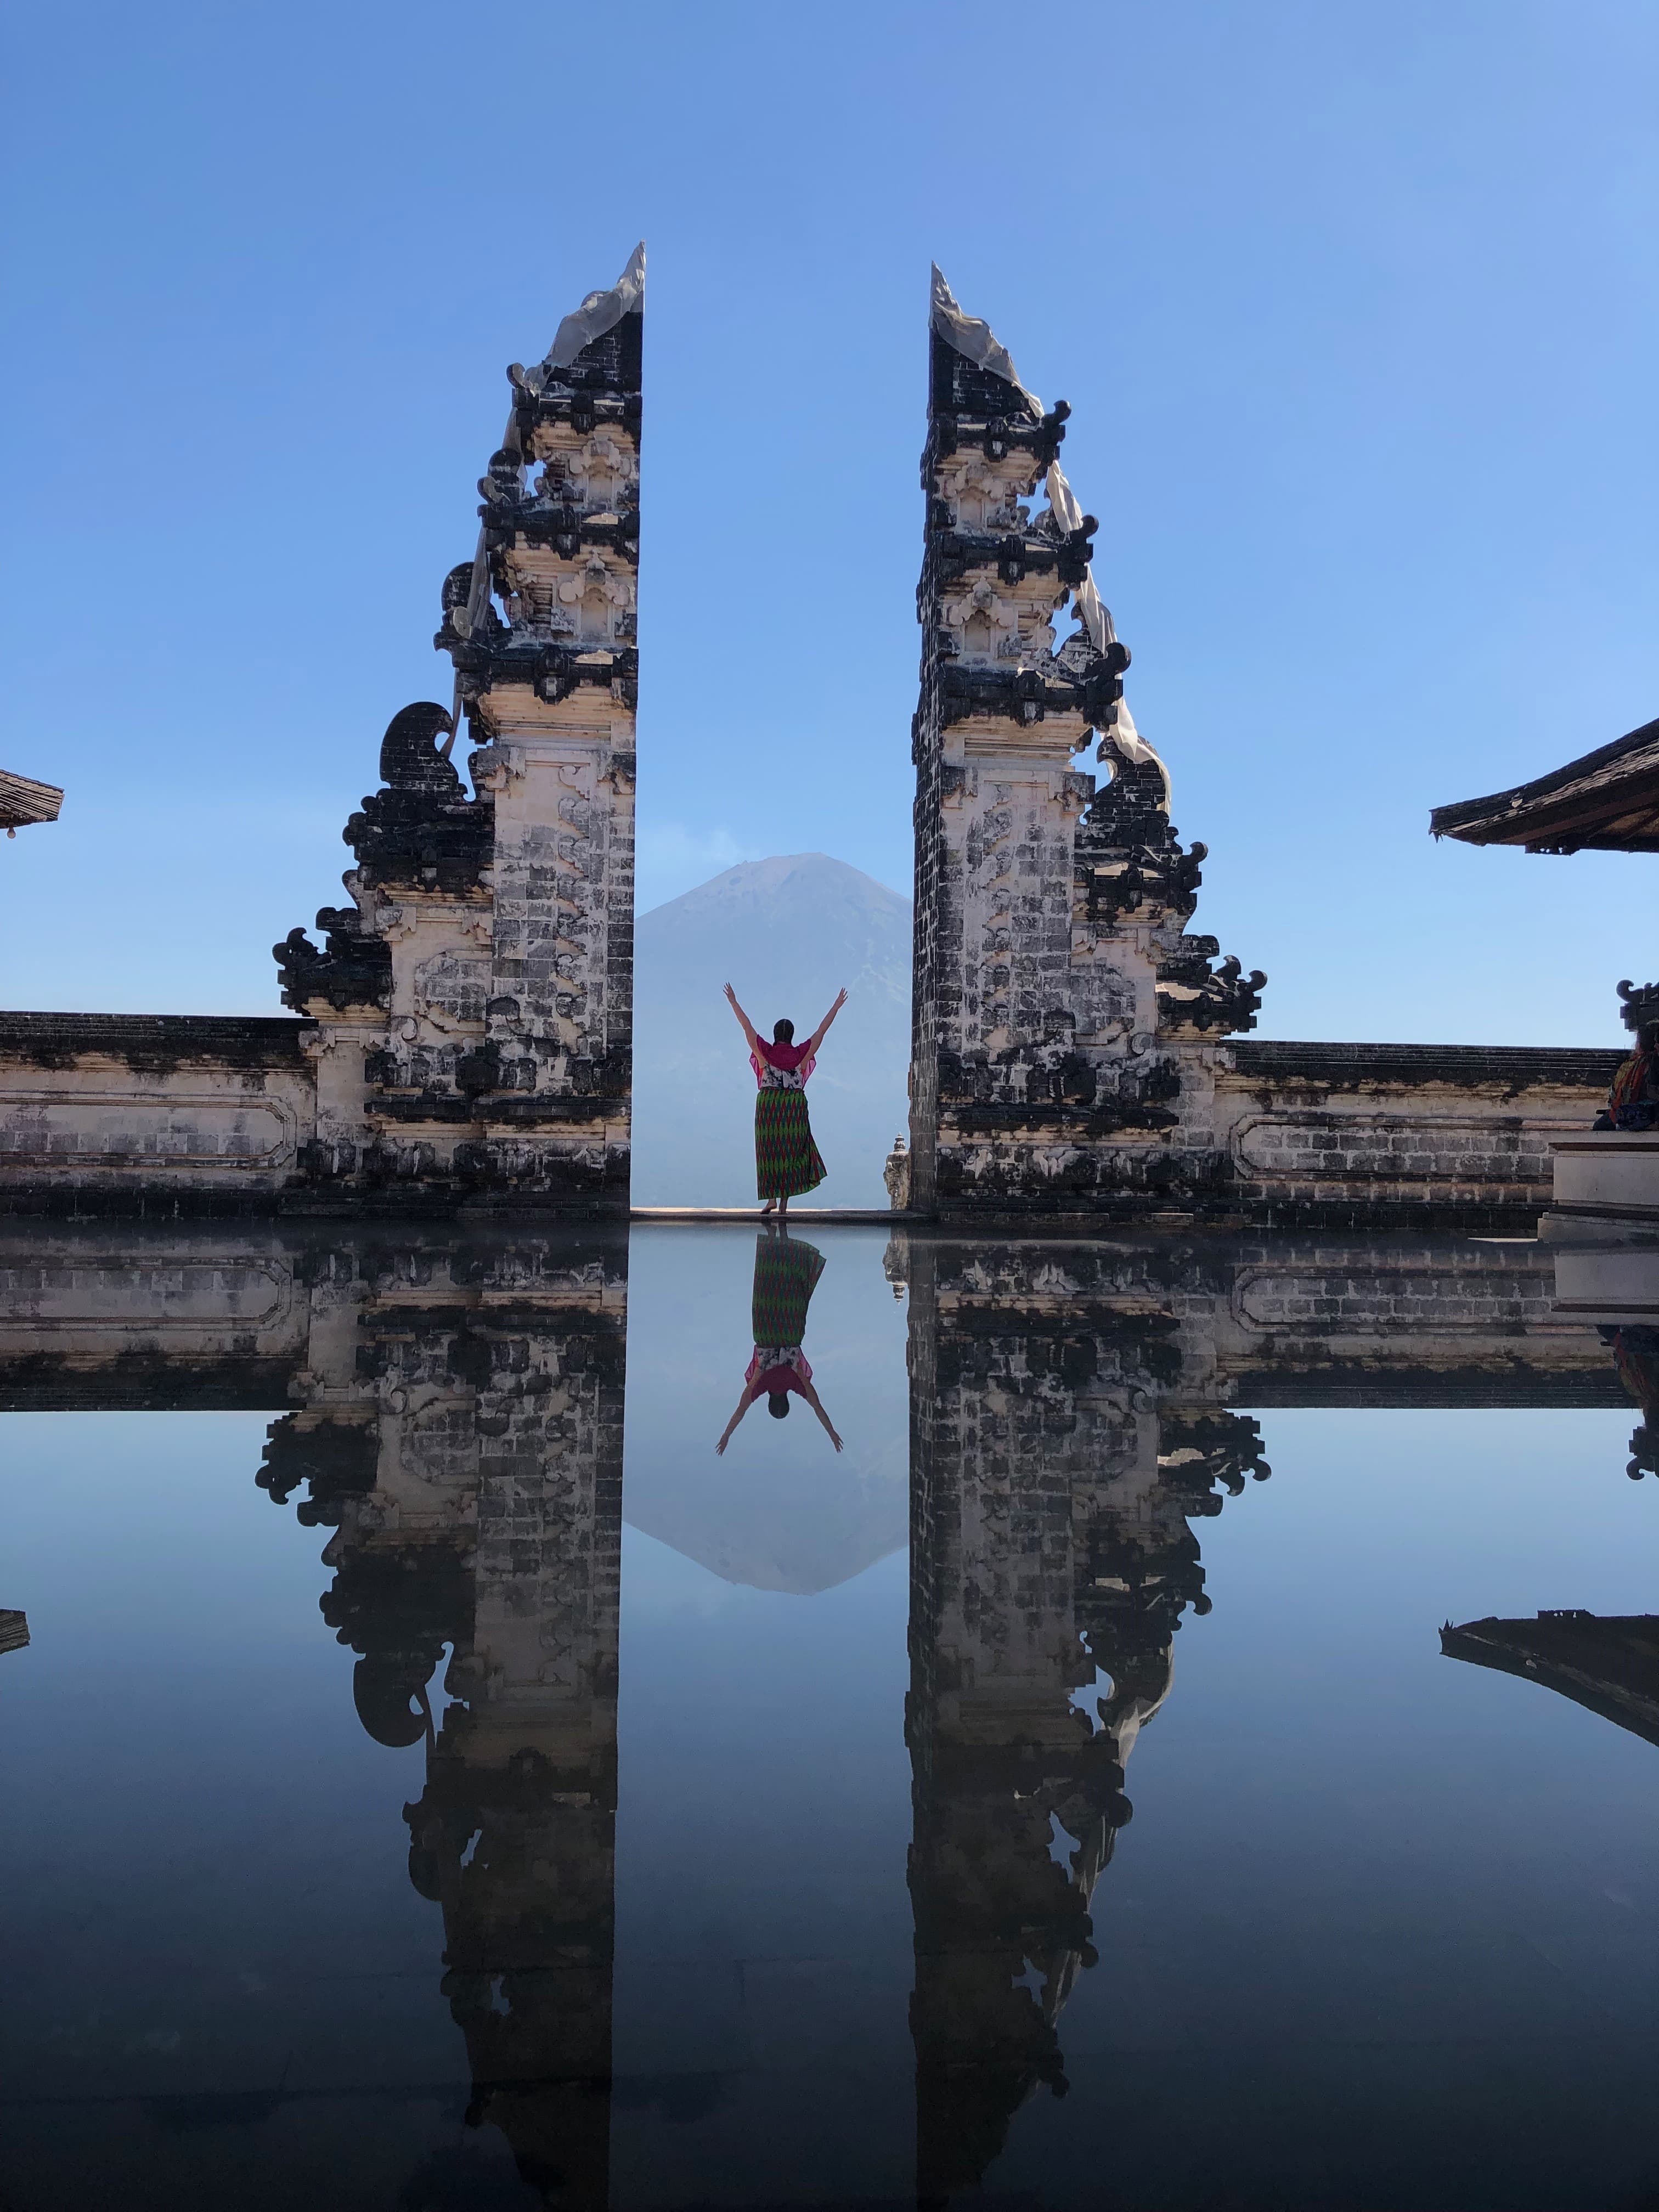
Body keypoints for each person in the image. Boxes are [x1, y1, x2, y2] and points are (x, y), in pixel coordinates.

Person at [723, 981, 847, 1217]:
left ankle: (771, 1199)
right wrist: (836, 1006)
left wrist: (734, 1002)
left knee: (770, 1150)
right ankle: (783, 1205)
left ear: (774, 1035)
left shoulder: (765, 1052)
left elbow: (746, 1026)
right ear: (791, 1036)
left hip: (770, 1106)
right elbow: (822, 1031)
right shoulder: (801, 1053)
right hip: (793, 1106)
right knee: (791, 1151)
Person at [716, 1227, 843, 1454]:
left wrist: (833, 1433)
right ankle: (771, 1242)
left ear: (786, 1400)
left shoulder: (796, 1383)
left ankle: (790, 1246)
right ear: (769, 1402)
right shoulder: (760, 1386)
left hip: (790, 1330)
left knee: (791, 1291)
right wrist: (726, 1436)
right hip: (765, 1329)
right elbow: (739, 1412)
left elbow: (818, 1407)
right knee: (768, 1285)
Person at [1596, 1021, 1659, 1131]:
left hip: (1642, 1113)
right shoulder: (1641, 1064)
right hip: (1640, 1112)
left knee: (1600, 1126)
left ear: (1639, 1044)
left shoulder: (1633, 1065)